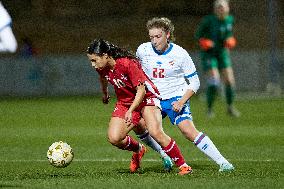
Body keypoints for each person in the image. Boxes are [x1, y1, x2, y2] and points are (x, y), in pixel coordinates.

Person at [136, 17, 234, 172]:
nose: (154, 41)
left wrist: (181, 101)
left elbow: (195, 82)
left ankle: (223, 163)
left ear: (167, 34)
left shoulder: (180, 54)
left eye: (158, 36)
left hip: (176, 97)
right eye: (151, 37)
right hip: (153, 98)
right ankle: (165, 155)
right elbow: (137, 72)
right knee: (141, 125)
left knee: (188, 131)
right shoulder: (143, 50)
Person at [87, 39, 192, 175]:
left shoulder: (127, 64)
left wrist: (131, 111)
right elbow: (103, 78)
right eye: (91, 61)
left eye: (94, 60)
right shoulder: (102, 68)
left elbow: (141, 91)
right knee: (114, 138)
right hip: (125, 102)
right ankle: (138, 149)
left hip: (146, 98)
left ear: (105, 55)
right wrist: (105, 93)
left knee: (155, 132)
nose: (93, 65)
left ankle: (184, 166)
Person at [195, 0, 240, 117]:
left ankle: (230, 107)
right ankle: (209, 109)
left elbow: (229, 34)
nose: (221, 10)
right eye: (219, 8)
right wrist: (204, 42)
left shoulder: (230, 20)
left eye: (223, 7)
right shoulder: (208, 21)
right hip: (209, 54)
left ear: (227, 8)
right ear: (215, 10)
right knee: (214, 81)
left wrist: (231, 40)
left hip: (222, 53)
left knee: (229, 81)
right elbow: (198, 35)